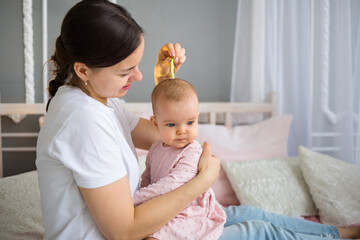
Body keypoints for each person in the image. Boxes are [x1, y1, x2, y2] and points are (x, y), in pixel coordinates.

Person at [36, 0, 360, 239]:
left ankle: (340, 233)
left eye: (137, 65)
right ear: (83, 69)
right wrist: (202, 183)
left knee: (245, 213)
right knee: (257, 230)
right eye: (125, 70)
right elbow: (124, 230)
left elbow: (164, 137)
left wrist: (164, 83)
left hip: (149, 226)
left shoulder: (97, 102)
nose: (136, 76)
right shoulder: (82, 121)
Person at [132, 79, 226, 240]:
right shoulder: (155, 148)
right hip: (166, 208)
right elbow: (148, 177)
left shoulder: (192, 151)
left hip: (190, 212)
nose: (182, 131)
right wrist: (143, 203)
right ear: (156, 123)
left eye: (190, 122)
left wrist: (134, 200)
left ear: (197, 118)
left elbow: (172, 184)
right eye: (171, 125)